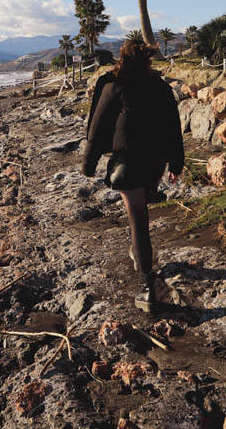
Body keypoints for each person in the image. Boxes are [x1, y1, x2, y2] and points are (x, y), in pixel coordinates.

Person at [82, 40, 184, 311]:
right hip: (155, 162)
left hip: (127, 165)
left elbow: (97, 126)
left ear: (122, 58)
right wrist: (176, 164)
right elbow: (174, 126)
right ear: (147, 60)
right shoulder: (160, 87)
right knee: (141, 210)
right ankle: (140, 256)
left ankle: (147, 287)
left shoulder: (114, 85)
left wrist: (88, 165)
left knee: (138, 220)